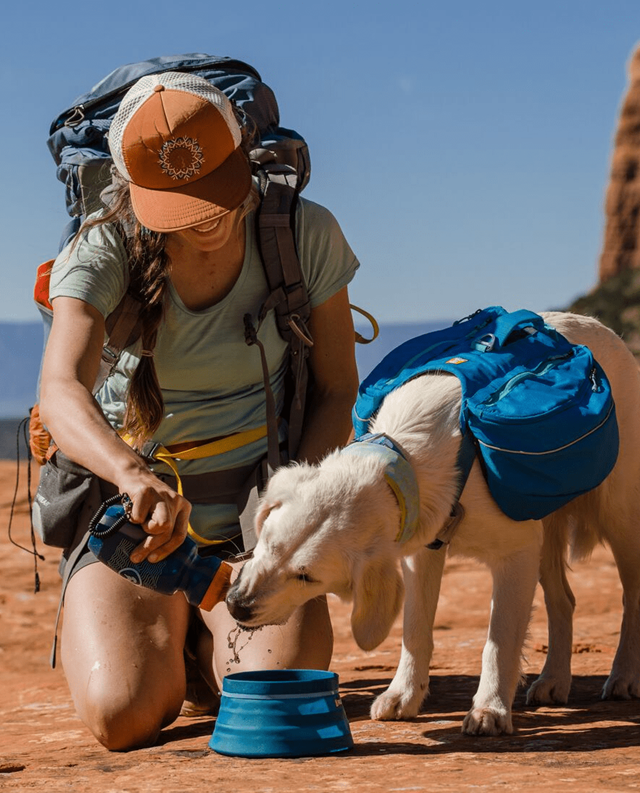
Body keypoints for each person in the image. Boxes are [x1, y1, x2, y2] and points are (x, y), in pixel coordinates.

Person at [39, 71, 360, 751]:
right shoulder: (102, 249)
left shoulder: (303, 233)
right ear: (132, 193)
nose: (205, 218)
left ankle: (199, 637)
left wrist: (291, 504)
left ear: (245, 154)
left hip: (254, 511)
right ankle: (168, 627)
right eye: (178, 206)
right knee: (121, 714)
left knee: (275, 699)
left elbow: (336, 389)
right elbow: (60, 390)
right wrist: (132, 476)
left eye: (216, 193)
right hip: (134, 521)